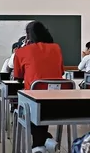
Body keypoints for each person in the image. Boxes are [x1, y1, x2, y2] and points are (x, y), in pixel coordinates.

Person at [14, 21, 64, 153]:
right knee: (41, 101)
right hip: (57, 100)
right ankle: (43, 141)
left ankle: (40, 143)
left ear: (28, 36)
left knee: (29, 102)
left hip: (34, 101)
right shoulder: (56, 48)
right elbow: (61, 72)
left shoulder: (21, 51)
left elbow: (18, 76)